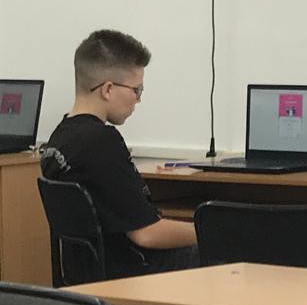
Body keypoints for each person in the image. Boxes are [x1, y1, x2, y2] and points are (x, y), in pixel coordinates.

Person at [42, 30, 199, 278]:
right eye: (137, 90)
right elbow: (146, 234)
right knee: (231, 250)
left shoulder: (59, 138)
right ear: (107, 89)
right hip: (132, 274)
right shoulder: (101, 142)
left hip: (84, 274)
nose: (138, 100)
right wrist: (210, 232)